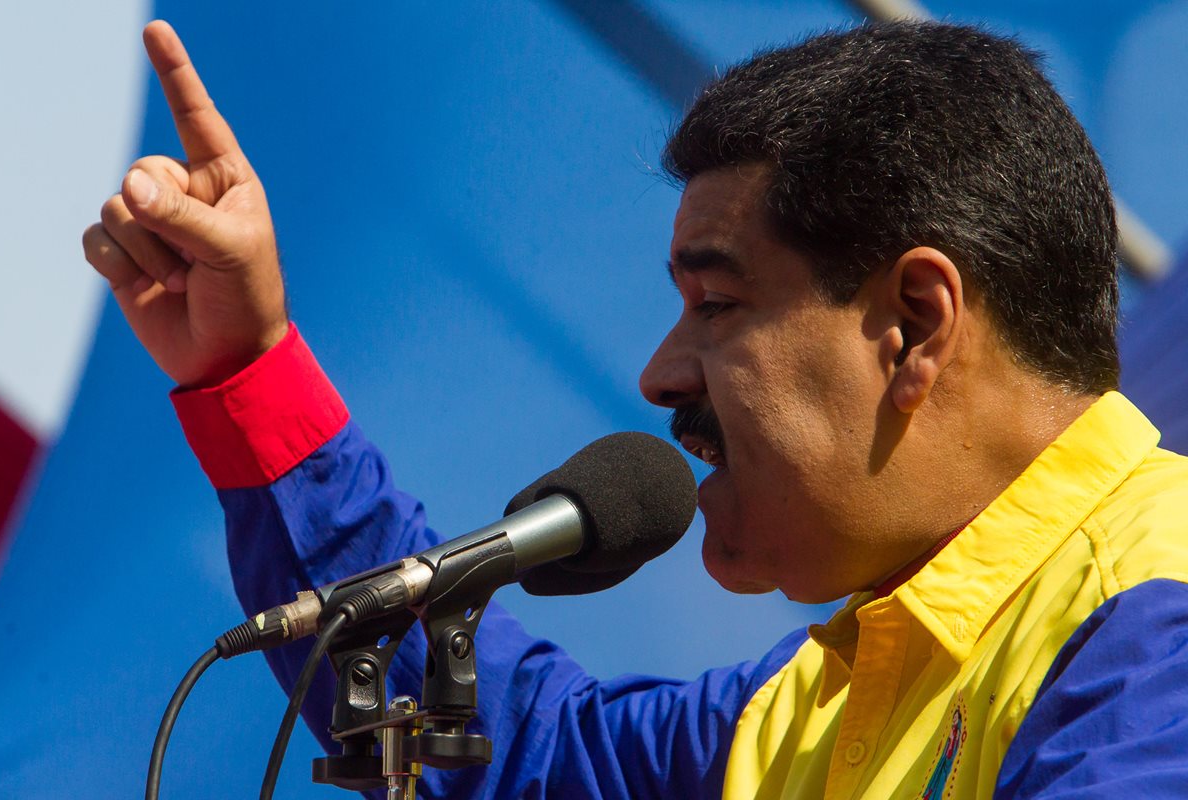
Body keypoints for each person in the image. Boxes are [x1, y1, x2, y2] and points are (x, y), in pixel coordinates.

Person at [84, 18, 1188, 799]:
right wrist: (248, 364)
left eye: (715, 302)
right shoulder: (808, 704)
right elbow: (518, 757)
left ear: (912, 322)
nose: (659, 375)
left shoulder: (1157, 630)